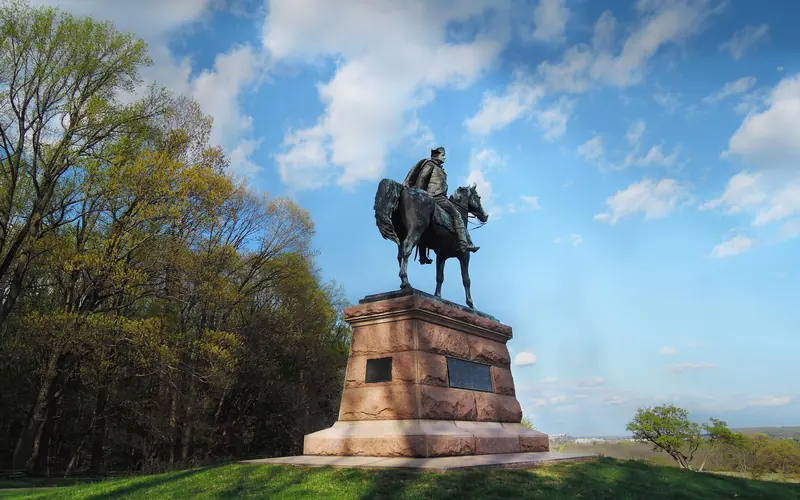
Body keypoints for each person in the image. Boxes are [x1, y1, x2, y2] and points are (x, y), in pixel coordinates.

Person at [403, 147, 479, 261]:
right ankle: (463, 244)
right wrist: (421, 196)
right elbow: (422, 180)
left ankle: (423, 256)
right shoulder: (430, 165)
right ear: (436, 155)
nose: (445, 157)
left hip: (438, 197)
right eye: (443, 155)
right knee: (457, 215)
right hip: (436, 197)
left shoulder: (437, 167)